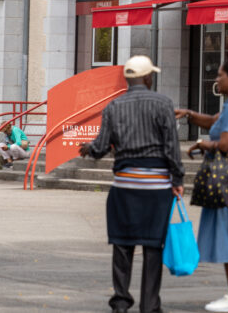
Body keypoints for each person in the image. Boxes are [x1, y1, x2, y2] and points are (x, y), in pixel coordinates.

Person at [78, 55, 184, 313]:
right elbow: (172, 147)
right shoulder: (163, 104)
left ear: (127, 79)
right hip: (157, 188)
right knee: (152, 246)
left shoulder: (114, 107)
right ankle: (150, 305)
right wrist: (178, 179)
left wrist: (88, 149)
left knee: (122, 245)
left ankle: (121, 302)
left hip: (124, 187)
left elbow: (101, 147)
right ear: (148, 78)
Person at [175, 58, 228, 313]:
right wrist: (188, 113)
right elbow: (212, 121)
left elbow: (223, 144)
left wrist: (201, 145)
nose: (216, 79)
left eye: (220, 75)